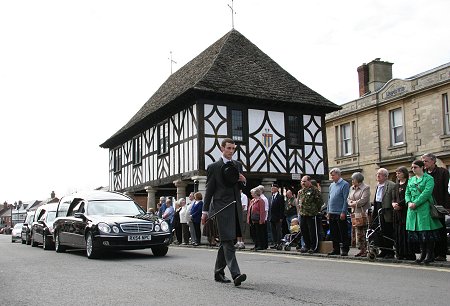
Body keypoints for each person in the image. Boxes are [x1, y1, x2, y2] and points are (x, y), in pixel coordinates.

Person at [201, 138, 247, 286]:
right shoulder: (213, 167)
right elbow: (209, 191)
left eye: (233, 149)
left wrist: (243, 180)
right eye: (228, 148)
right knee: (228, 241)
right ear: (222, 148)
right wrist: (205, 211)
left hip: (235, 207)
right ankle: (236, 275)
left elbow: (241, 187)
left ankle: (218, 272)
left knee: (228, 241)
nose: (231, 151)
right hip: (221, 207)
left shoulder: (238, 165)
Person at [405, 160, 443, 264]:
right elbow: (407, 192)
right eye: (412, 167)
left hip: (424, 208)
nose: (413, 169)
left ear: (422, 167)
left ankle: (430, 255)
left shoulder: (429, 178)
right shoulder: (411, 180)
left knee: (427, 233)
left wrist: (415, 203)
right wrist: (408, 202)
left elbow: (426, 193)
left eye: (415, 167)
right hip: (412, 210)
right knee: (419, 234)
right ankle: (422, 254)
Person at [422, 153, 449, 261]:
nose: (424, 163)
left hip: (439, 206)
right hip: (425, 208)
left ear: (433, 161)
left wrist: (447, 206)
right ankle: (430, 253)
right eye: (423, 161)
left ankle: (441, 254)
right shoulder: (423, 174)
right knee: (428, 231)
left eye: (426, 161)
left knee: (440, 230)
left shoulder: (443, 172)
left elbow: (447, 191)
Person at [391, 166, 416, 260]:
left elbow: (409, 196)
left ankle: (409, 253)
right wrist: (393, 204)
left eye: (399, 173)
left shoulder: (409, 184)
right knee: (398, 233)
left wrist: (400, 205)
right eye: (396, 173)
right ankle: (400, 253)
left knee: (406, 233)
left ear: (404, 173)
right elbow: (393, 197)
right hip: (397, 212)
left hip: (405, 211)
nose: (397, 175)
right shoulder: (396, 185)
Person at [372, 168, 396, 258]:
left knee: (387, 231)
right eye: (377, 174)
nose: (378, 175)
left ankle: (390, 251)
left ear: (386, 176)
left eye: (380, 174)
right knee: (378, 232)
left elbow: (393, 198)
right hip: (378, 209)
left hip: (386, 211)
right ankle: (383, 250)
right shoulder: (377, 185)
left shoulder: (391, 185)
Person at [327, 168, 350, 256]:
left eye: (333, 175)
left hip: (340, 212)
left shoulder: (345, 184)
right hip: (332, 212)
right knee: (333, 232)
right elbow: (329, 199)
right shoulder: (331, 185)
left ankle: (345, 249)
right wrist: (328, 211)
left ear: (338, 175)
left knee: (342, 231)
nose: (331, 177)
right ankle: (335, 249)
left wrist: (343, 211)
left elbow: (345, 199)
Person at [347, 172, 371, 257]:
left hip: (363, 213)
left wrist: (353, 203)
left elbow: (363, 200)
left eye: (353, 179)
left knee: (363, 231)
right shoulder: (351, 188)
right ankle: (361, 249)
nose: (352, 181)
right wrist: (351, 203)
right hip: (354, 213)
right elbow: (348, 198)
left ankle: (366, 249)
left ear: (358, 180)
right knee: (357, 232)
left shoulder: (366, 188)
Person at [298, 175, 323, 253]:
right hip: (303, 214)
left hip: (312, 214)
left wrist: (316, 210)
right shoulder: (302, 191)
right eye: (302, 181)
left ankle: (314, 247)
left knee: (313, 231)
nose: (303, 183)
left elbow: (319, 202)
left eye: (304, 181)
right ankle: (307, 246)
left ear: (309, 181)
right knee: (304, 231)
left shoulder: (314, 190)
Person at [269, 184, 284, 249]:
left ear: (277, 189)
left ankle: (279, 243)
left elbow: (282, 207)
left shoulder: (280, 197)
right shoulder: (271, 197)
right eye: (271, 188)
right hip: (272, 216)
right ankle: (275, 243)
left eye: (273, 188)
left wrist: (281, 217)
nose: (272, 189)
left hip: (278, 217)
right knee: (273, 231)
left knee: (278, 230)